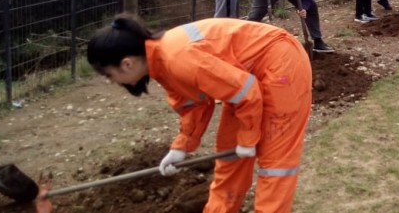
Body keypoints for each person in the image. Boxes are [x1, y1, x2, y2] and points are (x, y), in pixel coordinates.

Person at [86, 14, 311, 213]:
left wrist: (248, 138)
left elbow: (247, 92)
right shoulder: (161, 62)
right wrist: (181, 147)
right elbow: (194, 105)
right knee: (229, 157)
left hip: (281, 64)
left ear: (126, 64)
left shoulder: (176, 58)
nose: (113, 82)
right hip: (245, 82)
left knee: (275, 166)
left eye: (109, 76)